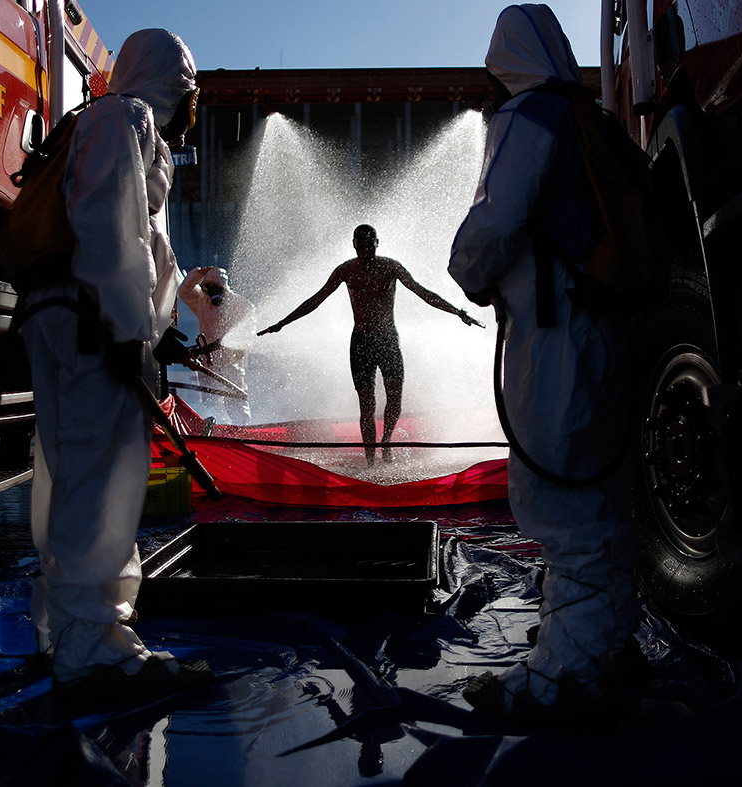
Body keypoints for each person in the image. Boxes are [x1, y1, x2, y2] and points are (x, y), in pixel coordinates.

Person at [448, 4, 640, 724]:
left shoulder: (530, 116)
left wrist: (466, 271)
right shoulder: (592, 121)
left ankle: (569, 671)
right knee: (602, 497)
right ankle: (607, 638)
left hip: (555, 335)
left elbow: (495, 223)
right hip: (604, 334)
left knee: (559, 500)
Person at [21, 28, 211, 700]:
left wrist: (164, 331)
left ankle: (71, 633)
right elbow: (108, 231)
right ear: (173, 84)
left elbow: (146, 245)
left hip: (76, 318)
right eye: (191, 92)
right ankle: (95, 647)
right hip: (92, 324)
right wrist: (133, 331)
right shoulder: (124, 118)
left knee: (75, 474)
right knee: (101, 482)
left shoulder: (119, 126)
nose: (194, 108)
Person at [258, 224, 482, 465]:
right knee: (367, 405)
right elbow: (316, 299)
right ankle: (370, 460)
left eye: (370, 245)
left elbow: (422, 292)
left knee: (394, 399)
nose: (366, 250)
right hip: (362, 341)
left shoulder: (390, 267)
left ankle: (386, 442)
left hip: (387, 339)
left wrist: (457, 312)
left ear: (377, 243)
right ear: (354, 245)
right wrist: (283, 322)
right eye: (361, 246)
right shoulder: (346, 270)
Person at [178, 265, 257, 425]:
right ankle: (214, 424)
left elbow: (249, 326)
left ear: (224, 286)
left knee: (234, 392)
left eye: (216, 287)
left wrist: (241, 346)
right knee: (209, 395)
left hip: (230, 356)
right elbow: (184, 290)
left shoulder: (239, 303)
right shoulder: (201, 300)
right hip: (208, 357)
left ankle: (241, 426)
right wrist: (199, 273)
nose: (212, 291)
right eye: (208, 286)